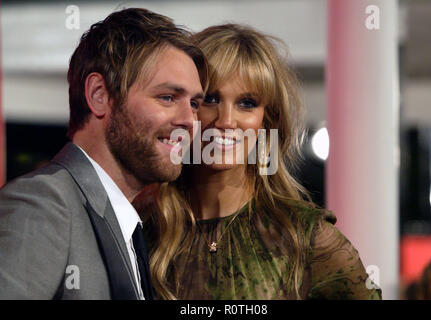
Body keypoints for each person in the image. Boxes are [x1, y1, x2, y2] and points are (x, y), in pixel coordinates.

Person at [137, 24, 382, 300]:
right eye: (211, 99)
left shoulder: (306, 238)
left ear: (267, 121)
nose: (226, 121)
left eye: (247, 103)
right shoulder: (141, 228)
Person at [0, 8, 206, 300]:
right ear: (99, 94)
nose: (189, 120)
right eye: (167, 97)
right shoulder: (44, 203)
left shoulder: (129, 227)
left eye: (195, 104)